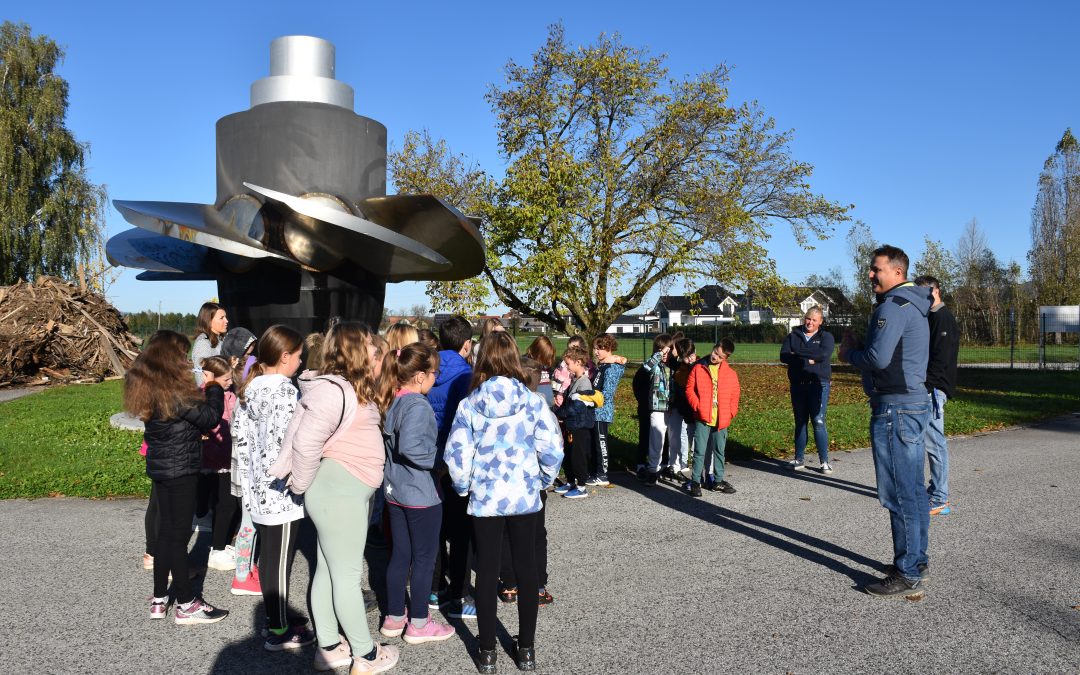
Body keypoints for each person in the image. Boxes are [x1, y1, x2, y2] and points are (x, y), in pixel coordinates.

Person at [268, 322, 400, 672]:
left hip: (344, 493)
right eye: (372, 347)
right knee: (346, 577)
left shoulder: (350, 386)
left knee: (327, 572)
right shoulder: (333, 390)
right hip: (339, 494)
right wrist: (302, 484)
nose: (377, 352)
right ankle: (366, 655)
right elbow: (306, 443)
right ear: (357, 350)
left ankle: (329, 647)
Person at [445, 331, 564, 674]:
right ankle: (526, 649)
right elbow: (552, 448)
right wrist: (542, 481)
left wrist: (464, 486)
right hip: (524, 494)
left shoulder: (469, 404)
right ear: (514, 358)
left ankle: (486, 652)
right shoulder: (532, 401)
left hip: (486, 497)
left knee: (486, 572)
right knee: (527, 570)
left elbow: (456, 455)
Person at [840, 244, 932, 599]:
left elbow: (878, 359)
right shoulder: (914, 304)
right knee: (913, 491)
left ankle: (907, 571)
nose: (870, 274)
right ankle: (917, 561)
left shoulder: (894, 306)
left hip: (896, 407)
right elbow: (891, 352)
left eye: (875, 269)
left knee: (898, 492)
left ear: (897, 272)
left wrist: (850, 353)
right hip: (911, 403)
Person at [124, 329, 228, 624]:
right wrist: (214, 387)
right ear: (172, 358)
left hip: (161, 467)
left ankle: (159, 599)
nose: (186, 360)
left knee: (166, 533)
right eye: (182, 355)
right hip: (181, 470)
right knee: (178, 536)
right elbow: (210, 418)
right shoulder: (175, 392)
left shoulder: (150, 387)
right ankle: (186, 603)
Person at [232, 325, 315, 649]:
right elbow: (288, 441)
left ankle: (275, 614)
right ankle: (278, 629)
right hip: (279, 492)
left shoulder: (250, 388)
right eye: (298, 357)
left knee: (269, 556)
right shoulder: (283, 391)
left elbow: (240, 440)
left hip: (256, 488)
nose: (300, 363)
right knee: (279, 559)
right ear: (284, 357)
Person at [376, 342, 455, 646]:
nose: (436, 378)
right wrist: (438, 461)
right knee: (424, 558)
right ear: (420, 376)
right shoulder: (418, 406)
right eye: (434, 373)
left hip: (395, 492)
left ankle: (395, 616)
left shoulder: (394, 400)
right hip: (420, 495)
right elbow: (410, 447)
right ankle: (420, 622)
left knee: (401, 555)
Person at [426, 315, 476, 619]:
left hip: (428, 459)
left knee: (434, 526)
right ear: (467, 344)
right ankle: (459, 592)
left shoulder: (426, 370)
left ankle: (435, 588)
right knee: (460, 531)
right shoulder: (466, 377)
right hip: (456, 461)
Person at [914, 275, 959, 516]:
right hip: (928, 387)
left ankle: (940, 497)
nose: (924, 297)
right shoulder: (929, 318)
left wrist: (928, 386)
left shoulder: (943, 319)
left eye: (927, 292)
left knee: (934, 442)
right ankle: (933, 491)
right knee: (926, 441)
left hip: (934, 389)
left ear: (937, 291)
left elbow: (941, 358)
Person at [780, 306, 835, 474]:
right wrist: (809, 357)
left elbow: (824, 355)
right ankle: (799, 459)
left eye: (814, 320)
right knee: (800, 421)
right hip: (798, 384)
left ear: (821, 322)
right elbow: (784, 356)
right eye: (808, 318)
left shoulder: (826, 337)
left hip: (819, 384)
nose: (810, 322)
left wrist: (797, 355)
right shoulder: (793, 336)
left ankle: (824, 461)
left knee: (818, 421)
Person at [198, 356, 241, 572]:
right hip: (216, 459)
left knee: (224, 504)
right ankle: (217, 549)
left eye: (231, 379)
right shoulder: (206, 397)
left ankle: (220, 544)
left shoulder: (229, 395)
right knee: (225, 505)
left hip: (225, 458)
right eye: (225, 380)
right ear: (211, 377)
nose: (230, 383)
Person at [685, 339, 740, 496]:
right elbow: (690, 389)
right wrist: (698, 406)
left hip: (721, 419)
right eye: (715, 352)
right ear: (713, 348)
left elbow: (735, 394)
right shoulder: (698, 367)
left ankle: (718, 481)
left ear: (725, 358)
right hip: (703, 417)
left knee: (719, 451)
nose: (715, 357)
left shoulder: (730, 374)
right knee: (699, 450)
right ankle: (696, 481)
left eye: (720, 356)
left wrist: (730, 413)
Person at [553, 346, 600, 499]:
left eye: (569, 364)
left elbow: (577, 407)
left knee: (578, 456)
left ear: (578, 362)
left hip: (580, 427)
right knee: (570, 454)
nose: (567, 367)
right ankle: (571, 481)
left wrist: (560, 413)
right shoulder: (576, 380)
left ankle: (581, 486)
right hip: (572, 426)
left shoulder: (584, 383)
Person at [590, 335, 625, 486]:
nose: (596, 352)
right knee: (595, 443)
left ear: (609, 348)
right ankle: (595, 471)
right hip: (594, 410)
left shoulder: (612, 367)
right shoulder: (602, 365)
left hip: (602, 411)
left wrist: (587, 397)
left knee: (601, 443)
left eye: (599, 348)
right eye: (595, 348)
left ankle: (602, 474)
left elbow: (607, 392)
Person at [639, 334, 674, 484]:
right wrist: (660, 353)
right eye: (661, 351)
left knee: (675, 440)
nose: (665, 355)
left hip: (674, 408)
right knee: (656, 439)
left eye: (667, 351)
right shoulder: (655, 366)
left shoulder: (674, 365)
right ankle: (653, 469)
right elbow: (646, 367)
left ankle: (672, 467)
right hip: (658, 407)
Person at [662, 337, 697, 479]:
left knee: (694, 438)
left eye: (674, 348)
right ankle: (675, 466)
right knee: (676, 436)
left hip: (693, 409)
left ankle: (696, 470)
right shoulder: (678, 365)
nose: (672, 350)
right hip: (678, 407)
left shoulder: (696, 366)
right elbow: (669, 361)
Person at [191, 302, 228, 385]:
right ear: (209, 321)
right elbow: (202, 379)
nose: (226, 321)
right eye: (221, 318)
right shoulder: (203, 343)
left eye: (225, 317)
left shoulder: (221, 339)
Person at [524, 336, 556, 407]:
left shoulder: (544, 366)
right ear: (537, 352)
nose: (548, 361)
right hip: (535, 408)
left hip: (548, 406)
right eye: (545, 358)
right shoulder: (526, 366)